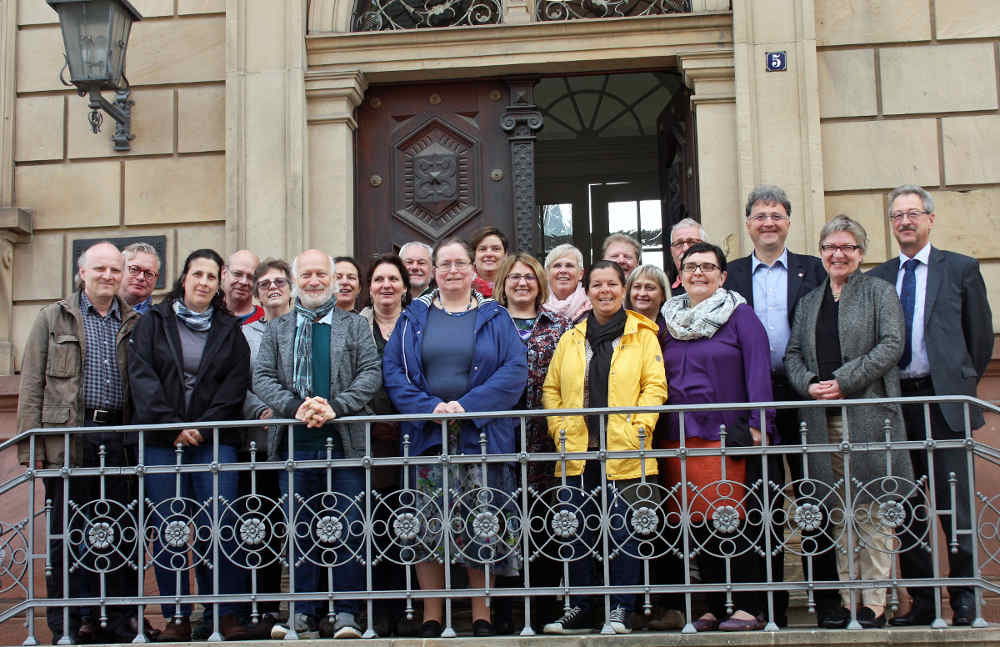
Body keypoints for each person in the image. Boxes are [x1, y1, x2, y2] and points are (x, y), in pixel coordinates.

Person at [382, 237, 528, 638]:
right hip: (428, 437)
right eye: (443, 264)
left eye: (458, 264)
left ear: (472, 269)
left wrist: (468, 406)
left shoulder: (495, 317)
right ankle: (434, 615)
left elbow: (514, 370)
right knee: (427, 525)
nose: (451, 271)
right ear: (431, 270)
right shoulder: (413, 317)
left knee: (480, 522)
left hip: (478, 438)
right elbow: (394, 371)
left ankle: (481, 615)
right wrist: (430, 408)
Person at [869, 185, 994, 628]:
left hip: (942, 402)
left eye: (913, 214)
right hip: (896, 403)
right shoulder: (879, 276)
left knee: (952, 504)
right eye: (898, 216)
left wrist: (958, 382)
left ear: (930, 219)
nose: (905, 222)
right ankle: (920, 603)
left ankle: (963, 599)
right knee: (906, 507)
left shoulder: (960, 268)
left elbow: (979, 337)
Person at [785, 216, 912, 628]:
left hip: (869, 415)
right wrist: (809, 385)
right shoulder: (809, 301)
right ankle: (846, 599)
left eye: (848, 247)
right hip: (822, 420)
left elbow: (892, 344)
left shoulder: (879, 292)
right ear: (821, 252)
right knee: (837, 511)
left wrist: (843, 381)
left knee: (873, 509)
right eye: (830, 247)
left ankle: (874, 604)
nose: (838, 254)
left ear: (860, 252)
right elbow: (793, 354)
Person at [722, 184, 838, 627]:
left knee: (814, 497)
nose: (768, 222)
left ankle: (827, 603)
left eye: (776, 215)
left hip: (802, 395)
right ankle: (769, 605)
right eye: (760, 215)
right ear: (748, 224)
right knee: (760, 502)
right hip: (753, 402)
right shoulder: (729, 274)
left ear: (788, 222)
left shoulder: (814, 269)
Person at [17, 242, 144, 644]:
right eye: (99, 269)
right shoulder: (52, 318)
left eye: (114, 269)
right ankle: (70, 625)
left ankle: (119, 622)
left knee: (122, 531)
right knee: (67, 537)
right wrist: (31, 449)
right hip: (69, 438)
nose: (108, 275)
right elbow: (31, 385)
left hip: (121, 437)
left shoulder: (135, 322)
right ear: (81, 272)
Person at [253, 249, 382, 640]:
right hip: (295, 442)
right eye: (306, 274)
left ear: (333, 279)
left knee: (348, 527)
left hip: (343, 443)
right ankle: (302, 614)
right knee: (300, 530)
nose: (314, 281)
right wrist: (296, 407)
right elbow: (261, 377)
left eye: (320, 274)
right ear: (296, 281)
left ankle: (346, 614)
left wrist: (335, 407)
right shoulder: (278, 327)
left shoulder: (354, 325)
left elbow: (370, 373)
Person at [127, 249, 251, 642]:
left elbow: (235, 384)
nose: (203, 282)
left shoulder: (229, 328)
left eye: (211, 277)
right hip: (162, 442)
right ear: (184, 278)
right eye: (197, 274)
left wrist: (200, 427)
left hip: (214, 441)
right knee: (170, 530)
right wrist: (172, 426)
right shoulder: (153, 323)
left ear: (219, 285)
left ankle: (224, 614)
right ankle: (177, 616)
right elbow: (141, 376)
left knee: (222, 525)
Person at [541, 260, 668, 636]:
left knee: (624, 531)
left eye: (612, 284)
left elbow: (654, 386)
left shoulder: (642, 334)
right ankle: (579, 606)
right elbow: (551, 388)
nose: (605, 291)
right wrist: (558, 425)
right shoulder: (571, 337)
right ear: (589, 289)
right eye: (597, 285)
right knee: (576, 530)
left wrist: (640, 426)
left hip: (626, 449)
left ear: (622, 288)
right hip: (578, 450)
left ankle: (620, 609)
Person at [658, 242, 774, 633]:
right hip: (679, 437)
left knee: (731, 520)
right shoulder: (667, 321)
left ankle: (747, 605)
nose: (699, 273)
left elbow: (759, 371)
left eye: (708, 267)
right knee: (695, 524)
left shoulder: (741, 317)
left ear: (723, 276)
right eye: (691, 267)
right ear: (680, 274)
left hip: (725, 435)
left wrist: (760, 422)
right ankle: (712, 604)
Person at [493, 252, 571, 632]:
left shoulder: (560, 325)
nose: (521, 283)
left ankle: (543, 608)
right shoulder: (486, 322)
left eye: (529, 277)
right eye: (514, 277)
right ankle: (505, 611)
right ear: (503, 282)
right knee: (502, 524)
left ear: (540, 283)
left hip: (547, 441)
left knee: (544, 524)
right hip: (499, 439)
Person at [357, 254, 414, 637]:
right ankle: (377, 610)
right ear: (370, 287)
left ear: (405, 287)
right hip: (370, 440)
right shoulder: (355, 327)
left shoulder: (419, 324)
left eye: (393, 279)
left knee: (411, 522)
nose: (386, 286)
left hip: (415, 436)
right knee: (375, 524)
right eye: (379, 279)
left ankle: (408, 606)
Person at [237, 258, 295, 636]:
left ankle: (311, 606)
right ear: (256, 292)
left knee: (304, 524)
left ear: (291, 287)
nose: (273, 287)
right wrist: (259, 408)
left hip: (302, 439)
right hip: (257, 444)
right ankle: (263, 610)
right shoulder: (243, 334)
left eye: (280, 281)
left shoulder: (308, 327)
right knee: (261, 526)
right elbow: (233, 382)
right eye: (265, 283)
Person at [542, 243, 591, 323]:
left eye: (569, 266)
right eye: (557, 266)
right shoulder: (535, 305)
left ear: (580, 274)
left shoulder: (594, 307)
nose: (563, 270)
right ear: (547, 273)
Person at [624, 264, 670, 341]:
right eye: (637, 287)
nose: (642, 293)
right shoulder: (618, 327)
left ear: (663, 295)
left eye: (650, 288)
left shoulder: (672, 331)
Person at [119, 241, 161, 314]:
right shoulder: (97, 312)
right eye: (134, 269)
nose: (141, 277)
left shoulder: (163, 320)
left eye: (149, 273)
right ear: (119, 271)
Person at [223, 249, 264, 324]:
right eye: (237, 274)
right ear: (224, 273)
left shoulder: (266, 321)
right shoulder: (207, 316)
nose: (244, 282)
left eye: (251, 277)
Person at [667, 218, 705, 296]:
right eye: (679, 243)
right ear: (671, 252)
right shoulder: (664, 294)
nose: (685, 249)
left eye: (692, 242)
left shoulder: (720, 287)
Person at [470, 226, 508, 297]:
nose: (489, 254)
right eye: (483, 249)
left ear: (505, 255)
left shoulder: (515, 285)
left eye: (496, 249)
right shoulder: (463, 286)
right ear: (474, 256)